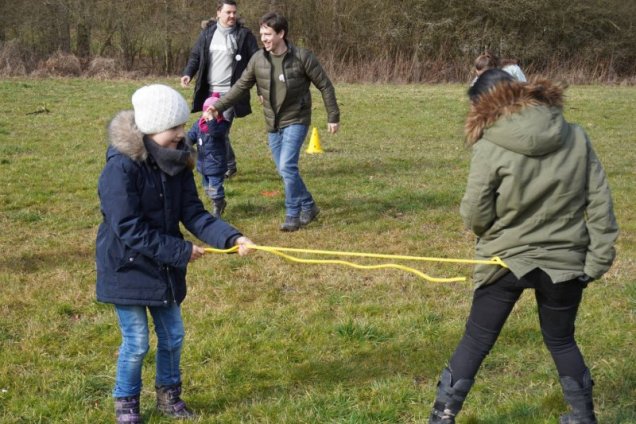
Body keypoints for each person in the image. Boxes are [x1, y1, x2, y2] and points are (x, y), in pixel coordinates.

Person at [427, 69, 618, 424]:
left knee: (476, 341)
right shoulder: (576, 136)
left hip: (505, 260)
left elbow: (474, 212)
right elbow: (601, 203)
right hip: (561, 261)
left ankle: (442, 417)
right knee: (561, 341)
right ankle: (584, 416)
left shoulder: (488, 144)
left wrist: (488, 232)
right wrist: (598, 260)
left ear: (485, 104)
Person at [96, 84, 253, 423]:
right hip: (127, 268)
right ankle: (126, 403)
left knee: (173, 336)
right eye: (175, 128)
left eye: (183, 126)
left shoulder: (179, 163)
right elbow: (128, 228)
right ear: (150, 128)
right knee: (137, 343)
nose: (183, 134)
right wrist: (180, 250)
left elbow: (194, 213)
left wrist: (232, 237)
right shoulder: (121, 169)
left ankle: (169, 396)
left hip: (163, 269)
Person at [209, 12, 340, 232]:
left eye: (268, 34)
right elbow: (241, 87)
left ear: (281, 33)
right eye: (262, 34)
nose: (264, 38)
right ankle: (309, 205)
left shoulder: (302, 57)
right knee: (283, 169)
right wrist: (218, 106)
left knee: (288, 166)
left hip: (296, 118)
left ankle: (292, 214)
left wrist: (333, 116)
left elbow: (325, 85)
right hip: (273, 122)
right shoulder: (258, 59)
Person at [180, 0, 259, 179]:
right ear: (218, 13)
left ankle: (224, 166)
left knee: (219, 130)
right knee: (212, 129)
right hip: (209, 94)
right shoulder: (207, 34)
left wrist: (261, 90)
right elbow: (195, 56)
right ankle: (228, 164)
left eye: (234, 13)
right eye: (228, 12)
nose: (232, 16)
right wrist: (188, 73)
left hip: (232, 93)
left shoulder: (244, 35)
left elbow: (257, 62)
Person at [187, 93, 231, 218]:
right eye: (206, 111)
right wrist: (185, 143)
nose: (208, 114)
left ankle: (218, 206)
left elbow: (215, 132)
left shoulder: (222, 125)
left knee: (215, 189)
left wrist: (212, 120)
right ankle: (220, 202)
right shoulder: (199, 124)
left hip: (216, 163)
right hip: (203, 163)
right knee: (207, 188)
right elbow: (191, 136)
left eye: (212, 112)